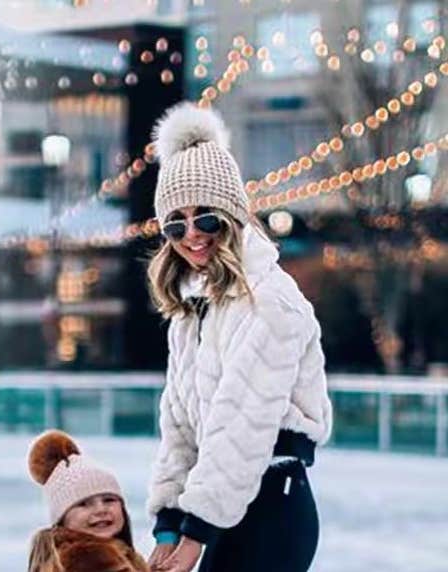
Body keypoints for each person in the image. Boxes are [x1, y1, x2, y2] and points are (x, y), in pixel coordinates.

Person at [143, 103, 333, 572]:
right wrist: (169, 520)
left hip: (272, 503)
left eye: (205, 217)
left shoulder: (272, 303)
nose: (192, 235)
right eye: (176, 223)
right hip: (225, 504)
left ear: (231, 215)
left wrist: (195, 534)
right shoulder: (193, 310)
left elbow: (241, 428)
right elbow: (180, 428)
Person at [27, 430, 149, 572]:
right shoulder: (84, 560)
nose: (101, 510)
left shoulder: (118, 552)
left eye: (109, 500)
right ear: (62, 519)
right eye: (84, 504)